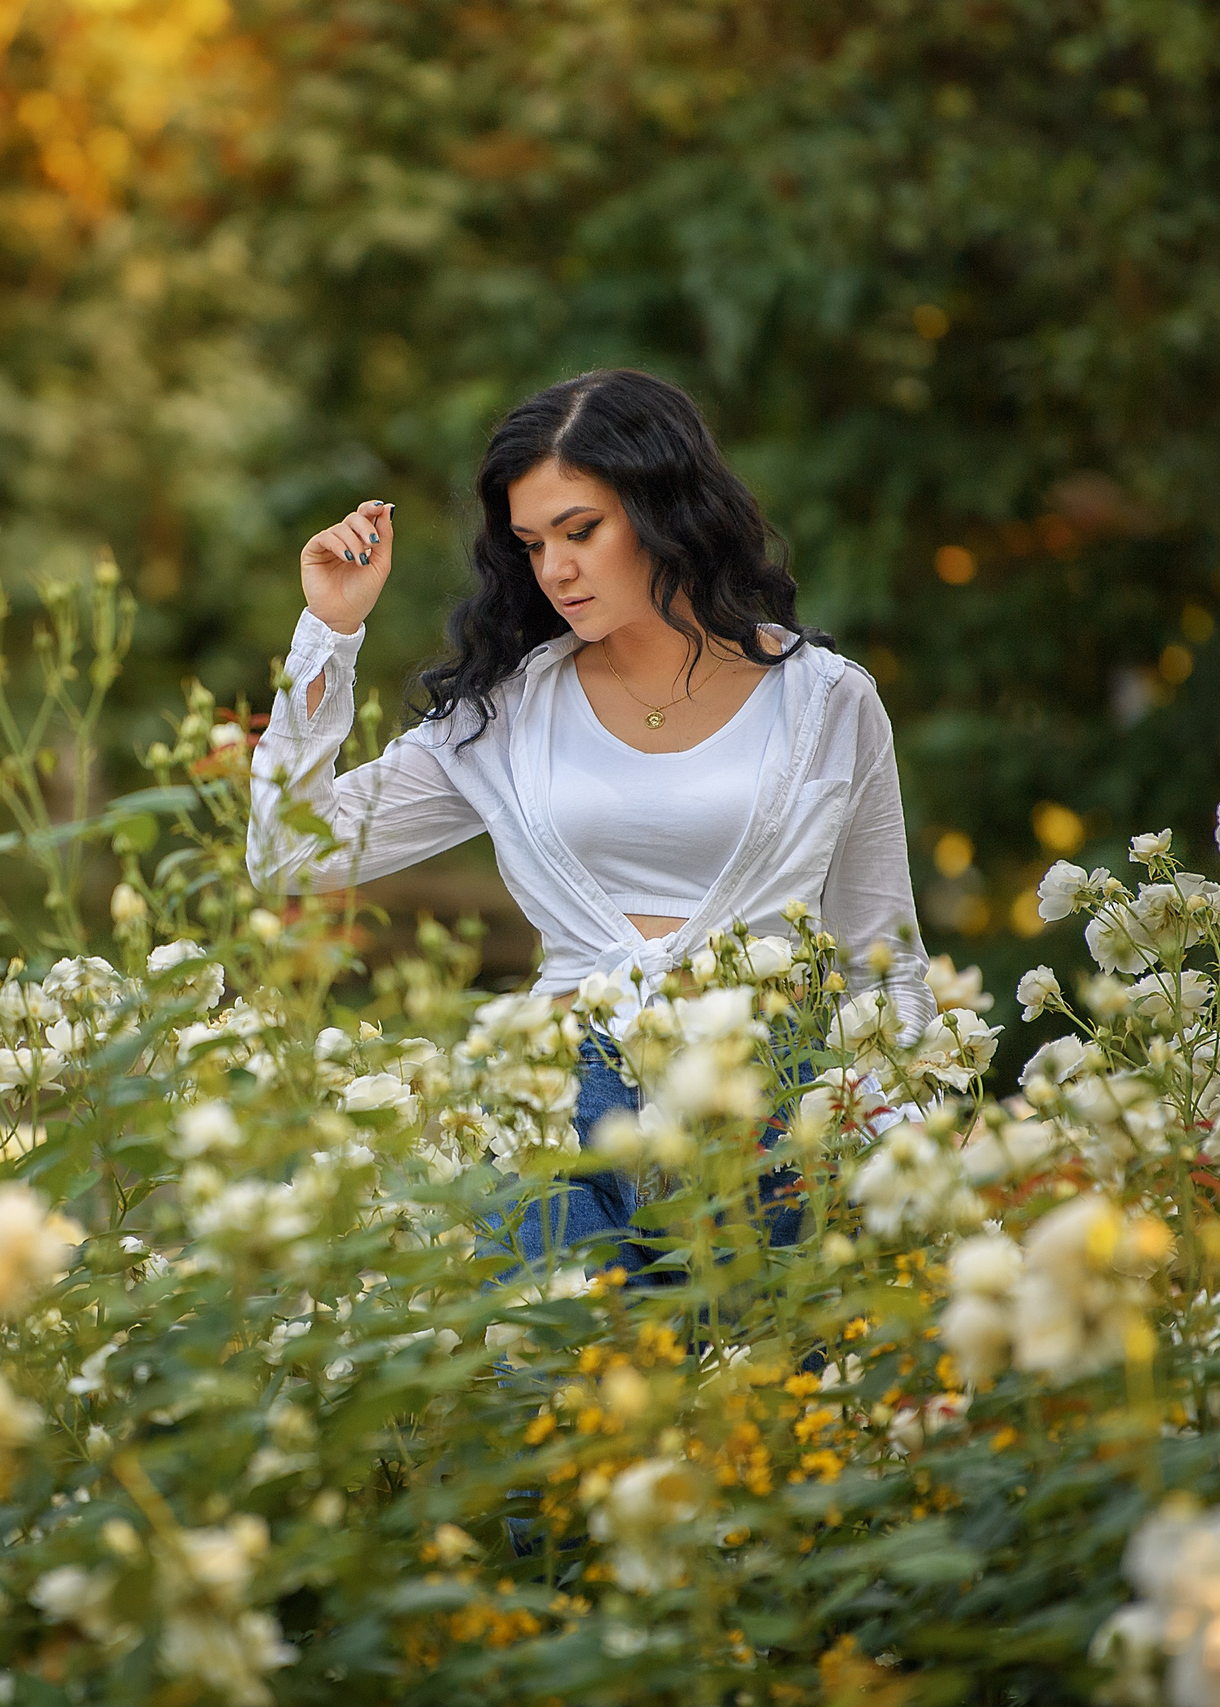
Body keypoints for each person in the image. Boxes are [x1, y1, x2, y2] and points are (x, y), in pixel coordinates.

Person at [245, 368, 930, 1274]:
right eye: (530, 543)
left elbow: (881, 956)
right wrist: (329, 631)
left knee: (760, 1397)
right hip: (564, 1112)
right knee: (569, 1391)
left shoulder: (827, 703)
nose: (555, 569)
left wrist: (912, 1153)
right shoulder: (509, 712)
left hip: (773, 1111)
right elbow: (292, 851)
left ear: (666, 511)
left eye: (581, 530)